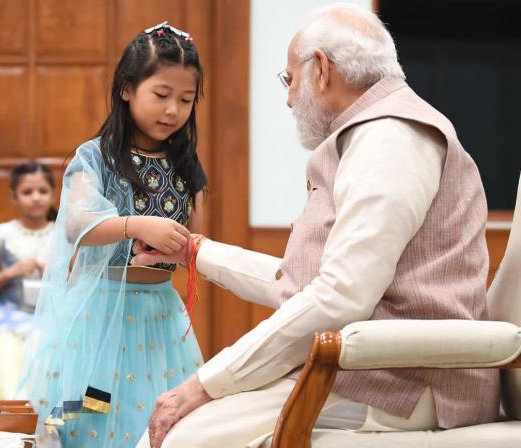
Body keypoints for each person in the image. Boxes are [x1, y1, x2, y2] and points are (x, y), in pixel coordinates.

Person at [132, 4, 498, 447]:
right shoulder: (370, 134)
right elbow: (310, 285)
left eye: (290, 80)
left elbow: (340, 295)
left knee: (178, 438)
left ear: (321, 70)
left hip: (403, 383)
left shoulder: (390, 139)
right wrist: (195, 252)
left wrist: (203, 384)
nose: (288, 99)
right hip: (366, 368)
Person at [18, 21, 208, 447]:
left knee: (163, 418)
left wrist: (178, 250)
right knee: (91, 411)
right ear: (126, 88)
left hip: (160, 315)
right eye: (161, 95)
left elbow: (193, 237)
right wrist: (135, 226)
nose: (173, 110)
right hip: (102, 320)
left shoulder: (184, 162)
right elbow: (77, 223)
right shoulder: (96, 156)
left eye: (185, 100)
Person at [0, 161, 57, 400]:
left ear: (53, 194)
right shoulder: (2, 234)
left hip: (50, 315)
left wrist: (50, 270)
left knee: (44, 349)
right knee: (4, 350)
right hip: (9, 314)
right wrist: (11, 272)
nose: (36, 198)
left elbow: (77, 280)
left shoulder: (61, 234)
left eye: (43, 191)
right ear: (14, 197)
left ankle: (43, 423)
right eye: (27, 192)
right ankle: (8, 415)